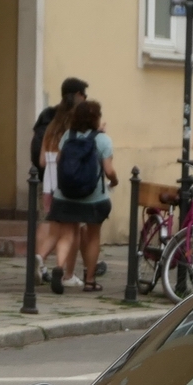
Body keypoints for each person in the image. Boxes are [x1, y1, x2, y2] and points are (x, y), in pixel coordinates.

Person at [48, 98, 116, 292]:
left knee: (67, 234)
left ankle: (59, 267)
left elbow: (60, 161)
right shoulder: (103, 140)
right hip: (93, 198)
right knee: (93, 236)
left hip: (66, 195)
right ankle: (90, 280)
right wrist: (115, 181)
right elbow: (109, 170)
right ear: (96, 118)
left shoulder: (67, 137)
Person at [32, 77, 88, 288]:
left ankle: (39, 258)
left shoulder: (51, 125)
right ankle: (67, 273)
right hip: (68, 183)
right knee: (72, 230)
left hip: (49, 184)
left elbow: (41, 160)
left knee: (54, 228)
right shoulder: (76, 127)